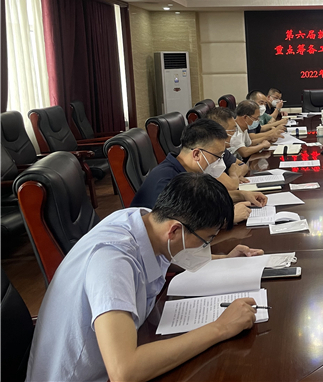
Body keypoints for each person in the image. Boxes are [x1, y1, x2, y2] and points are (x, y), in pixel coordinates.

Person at [26, 173, 264, 382]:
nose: (205, 247)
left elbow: (171, 255)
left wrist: (224, 259)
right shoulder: (112, 260)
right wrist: (221, 327)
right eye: (206, 240)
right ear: (174, 230)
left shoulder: (147, 221)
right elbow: (124, 372)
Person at [130, 119, 266, 220]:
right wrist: (228, 218)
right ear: (196, 154)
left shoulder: (193, 171)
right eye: (217, 156)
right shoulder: (167, 180)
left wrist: (242, 195)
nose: (220, 162)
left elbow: (206, 200)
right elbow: (178, 228)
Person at [205, 107, 250, 182]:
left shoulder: (222, 150)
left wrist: (234, 177)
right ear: (218, 132)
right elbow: (231, 185)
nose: (235, 134)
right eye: (232, 130)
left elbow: (243, 166)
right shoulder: (208, 154)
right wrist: (233, 175)